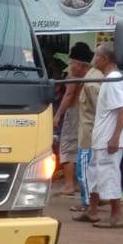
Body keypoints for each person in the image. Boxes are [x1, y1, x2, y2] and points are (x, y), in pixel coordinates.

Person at [73, 43, 123, 228]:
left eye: (96, 56)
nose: (94, 59)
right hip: (102, 138)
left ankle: (116, 216)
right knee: (96, 175)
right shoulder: (109, 79)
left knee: (109, 175)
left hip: (108, 139)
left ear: (104, 59)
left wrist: (114, 138)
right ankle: (92, 211)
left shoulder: (113, 79)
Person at [54, 43, 95, 201]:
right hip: (88, 113)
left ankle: (69, 185)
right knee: (82, 146)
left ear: (78, 63)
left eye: (71, 62)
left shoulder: (74, 74)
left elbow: (69, 95)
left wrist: (58, 115)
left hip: (75, 111)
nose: (70, 65)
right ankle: (77, 183)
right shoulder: (93, 73)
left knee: (68, 147)